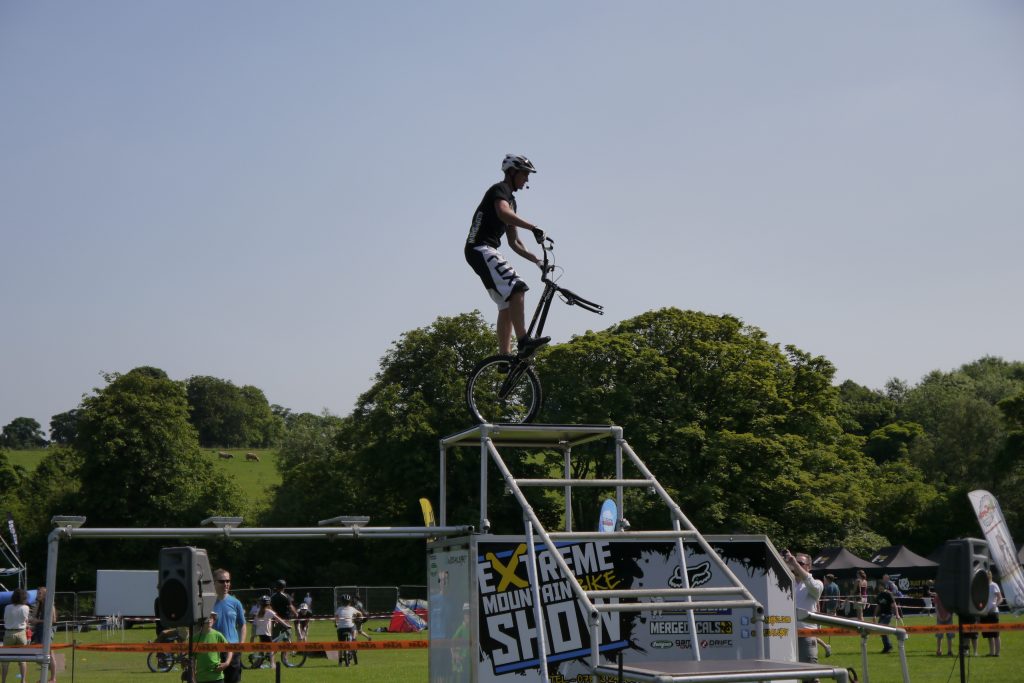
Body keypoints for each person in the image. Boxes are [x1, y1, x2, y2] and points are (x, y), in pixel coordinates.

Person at [465, 154, 549, 356]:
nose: (527, 179)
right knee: (517, 288)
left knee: (506, 305)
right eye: (525, 174)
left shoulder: (513, 203)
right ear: (512, 172)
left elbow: (515, 242)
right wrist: (533, 227)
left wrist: (537, 260)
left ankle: (504, 357)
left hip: (481, 251)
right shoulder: (499, 190)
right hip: (481, 248)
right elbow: (503, 213)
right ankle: (523, 341)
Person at [784, 550, 824, 672]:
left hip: (806, 635)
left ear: (809, 567)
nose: (795, 564)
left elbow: (810, 584)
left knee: (810, 676)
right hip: (786, 635)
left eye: (800, 562)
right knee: (788, 675)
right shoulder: (785, 583)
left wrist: (794, 563)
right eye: (795, 562)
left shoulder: (817, 584)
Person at [211, 568, 246, 683]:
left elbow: (242, 625)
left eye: (228, 581)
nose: (225, 584)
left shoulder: (235, 602)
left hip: (233, 649)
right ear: (214, 582)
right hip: (212, 650)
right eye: (222, 581)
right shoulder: (206, 603)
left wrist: (241, 645)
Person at [250, 596, 291, 668]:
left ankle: (255, 665)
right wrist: (286, 625)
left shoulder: (259, 611)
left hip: (260, 633)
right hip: (266, 633)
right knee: (272, 648)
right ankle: (272, 665)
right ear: (269, 604)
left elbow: (257, 622)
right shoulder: (269, 611)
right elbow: (278, 619)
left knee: (263, 650)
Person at [190, 611, 230, 683]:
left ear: (214, 620)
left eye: (211, 617)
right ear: (201, 621)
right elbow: (192, 660)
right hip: (201, 678)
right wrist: (193, 677)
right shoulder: (195, 638)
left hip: (217, 677)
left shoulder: (218, 635)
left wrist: (227, 663)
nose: (209, 620)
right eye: (207, 617)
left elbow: (230, 649)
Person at [2, 588, 30, 683]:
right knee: (22, 660)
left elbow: (5, 619)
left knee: (5, 660)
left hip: (9, 633)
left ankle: (3, 681)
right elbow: (26, 620)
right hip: (21, 633)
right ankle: (23, 680)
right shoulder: (26, 607)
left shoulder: (7, 607)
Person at [30, 587, 58, 683]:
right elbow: (33, 617)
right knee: (41, 655)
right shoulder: (39, 604)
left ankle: (53, 678)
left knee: (50, 654)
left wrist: (38, 621)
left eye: (40, 593)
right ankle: (44, 678)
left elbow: (53, 620)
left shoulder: (50, 604)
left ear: (45, 595)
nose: (38, 595)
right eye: (38, 593)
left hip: (47, 631)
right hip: (39, 631)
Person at [334, 594, 365, 666]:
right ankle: (353, 639)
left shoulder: (339, 609)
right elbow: (360, 613)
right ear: (350, 602)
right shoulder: (352, 609)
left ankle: (340, 662)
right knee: (354, 627)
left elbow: (336, 617)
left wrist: (336, 623)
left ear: (341, 602)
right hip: (349, 627)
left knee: (340, 645)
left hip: (340, 628)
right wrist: (360, 618)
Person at [981, 570, 1002, 656]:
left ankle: (997, 653)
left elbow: (1000, 598)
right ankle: (991, 652)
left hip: (993, 613)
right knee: (988, 635)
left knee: (996, 634)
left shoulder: (994, 585)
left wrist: (995, 605)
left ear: (990, 576)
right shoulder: (982, 586)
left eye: (987, 575)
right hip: (985, 613)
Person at [930, 582, 955, 656]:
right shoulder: (937, 596)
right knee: (939, 635)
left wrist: (948, 616)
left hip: (949, 618)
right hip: (940, 618)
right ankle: (938, 650)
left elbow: (952, 608)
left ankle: (949, 651)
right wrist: (939, 616)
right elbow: (936, 607)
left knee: (950, 636)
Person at [874, 580, 895, 654]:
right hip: (882, 615)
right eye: (879, 586)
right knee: (881, 631)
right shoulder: (879, 595)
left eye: (881, 586)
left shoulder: (888, 594)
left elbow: (893, 604)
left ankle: (887, 647)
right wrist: (874, 615)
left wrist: (897, 614)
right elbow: (878, 606)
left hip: (888, 615)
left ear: (884, 586)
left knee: (882, 630)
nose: (879, 587)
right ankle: (888, 646)